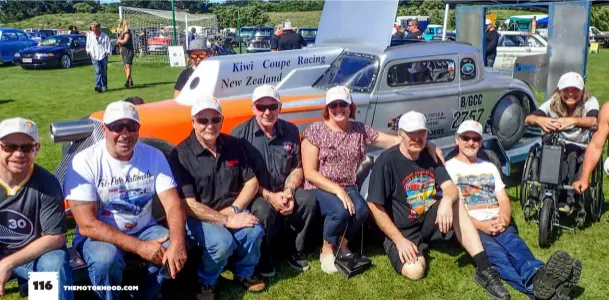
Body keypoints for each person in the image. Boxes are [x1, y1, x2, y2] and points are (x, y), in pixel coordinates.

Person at [366, 111, 510, 300]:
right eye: (411, 133)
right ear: (400, 134)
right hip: (402, 229)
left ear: (427, 134)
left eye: (421, 133)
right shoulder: (387, 161)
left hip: (428, 219)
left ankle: (484, 269)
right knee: (415, 271)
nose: (417, 138)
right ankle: (414, 249)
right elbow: (374, 205)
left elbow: (450, 187)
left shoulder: (429, 155)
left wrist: (446, 202)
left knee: (455, 201)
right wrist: (399, 240)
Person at [301, 86, 438, 274]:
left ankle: (343, 244)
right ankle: (326, 250)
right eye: (334, 104)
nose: (338, 108)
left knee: (362, 210)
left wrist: (427, 143)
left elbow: (395, 140)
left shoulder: (359, 129)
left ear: (351, 107)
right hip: (320, 185)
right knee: (339, 211)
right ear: (327, 108)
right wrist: (338, 191)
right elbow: (309, 173)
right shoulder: (315, 131)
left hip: (348, 185)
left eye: (343, 104)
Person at [63, 101, 188, 300]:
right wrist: (139, 247)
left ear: (138, 129)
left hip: (144, 228)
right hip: (99, 234)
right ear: (104, 129)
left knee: (175, 244)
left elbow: (173, 204)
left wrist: (178, 242)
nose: (124, 134)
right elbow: (87, 225)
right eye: (116, 127)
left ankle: (146, 294)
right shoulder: (84, 161)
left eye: (131, 126)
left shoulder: (153, 156)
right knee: (105, 259)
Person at [446, 120, 582, 300]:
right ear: (457, 140)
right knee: (499, 257)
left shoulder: (488, 167)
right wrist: (481, 225)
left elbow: (503, 198)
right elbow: (454, 209)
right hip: (471, 227)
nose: (471, 142)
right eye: (466, 138)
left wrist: (504, 217)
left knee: (518, 249)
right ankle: (542, 291)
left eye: (475, 139)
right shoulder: (449, 168)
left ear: (480, 142)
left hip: (497, 220)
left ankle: (542, 277)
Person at [169, 95, 265, 299]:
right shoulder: (180, 154)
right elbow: (187, 204)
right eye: (203, 120)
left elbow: (252, 182)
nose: (210, 125)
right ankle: (206, 281)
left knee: (254, 231)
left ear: (222, 120)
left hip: (232, 210)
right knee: (222, 243)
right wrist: (226, 220)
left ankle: (244, 272)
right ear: (193, 121)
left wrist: (235, 210)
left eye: (215, 119)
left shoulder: (234, 144)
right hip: (198, 217)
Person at [231, 85, 317, 277]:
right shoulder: (239, 135)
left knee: (309, 200)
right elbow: (239, 180)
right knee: (262, 210)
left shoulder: (291, 130)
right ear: (253, 108)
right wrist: (271, 197)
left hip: (284, 189)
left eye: (272, 106)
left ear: (280, 107)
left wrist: (289, 190)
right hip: (256, 193)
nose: (267, 112)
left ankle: (293, 250)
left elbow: (297, 167)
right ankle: (264, 257)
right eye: (261, 107)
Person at [0, 118, 73, 300]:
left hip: (33, 255)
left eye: (26, 147)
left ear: (36, 149)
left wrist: (8, 263)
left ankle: (40, 293)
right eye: (9, 146)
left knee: (53, 265)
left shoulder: (47, 183)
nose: (18, 154)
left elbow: (55, 237)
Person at [525, 72, 599, 213]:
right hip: (558, 143)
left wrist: (573, 120)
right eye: (566, 90)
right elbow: (528, 118)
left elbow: (594, 121)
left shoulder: (590, 102)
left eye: (575, 89)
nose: (570, 93)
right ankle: (541, 192)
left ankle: (569, 199)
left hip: (580, 145)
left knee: (571, 156)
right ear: (559, 91)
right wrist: (539, 120)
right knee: (542, 154)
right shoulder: (552, 103)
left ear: (582, 91)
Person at [86, 22, 111, 93]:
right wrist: (90, 52)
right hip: (94, 56)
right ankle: (98, 86)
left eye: (95, 27)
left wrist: (107, 53)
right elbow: (87, 46)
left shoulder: (105, 36)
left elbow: (108, 46)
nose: (93, 29)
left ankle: (104, 86)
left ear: (99, 28)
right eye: (92, 28)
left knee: (104, 71)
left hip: (103, 56)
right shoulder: (90, 36)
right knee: (98, 71)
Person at [117, 19, 135, 88]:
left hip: (129, 50)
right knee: (125, 66)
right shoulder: (120, 32)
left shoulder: (127, 32)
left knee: (128, 65)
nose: (118, 25)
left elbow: (125, 41)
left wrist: (119, 41)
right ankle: (130, 80)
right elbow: (119, 42)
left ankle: (128, 81)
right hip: (124, 50)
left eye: (119, 24)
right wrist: (120, 48)